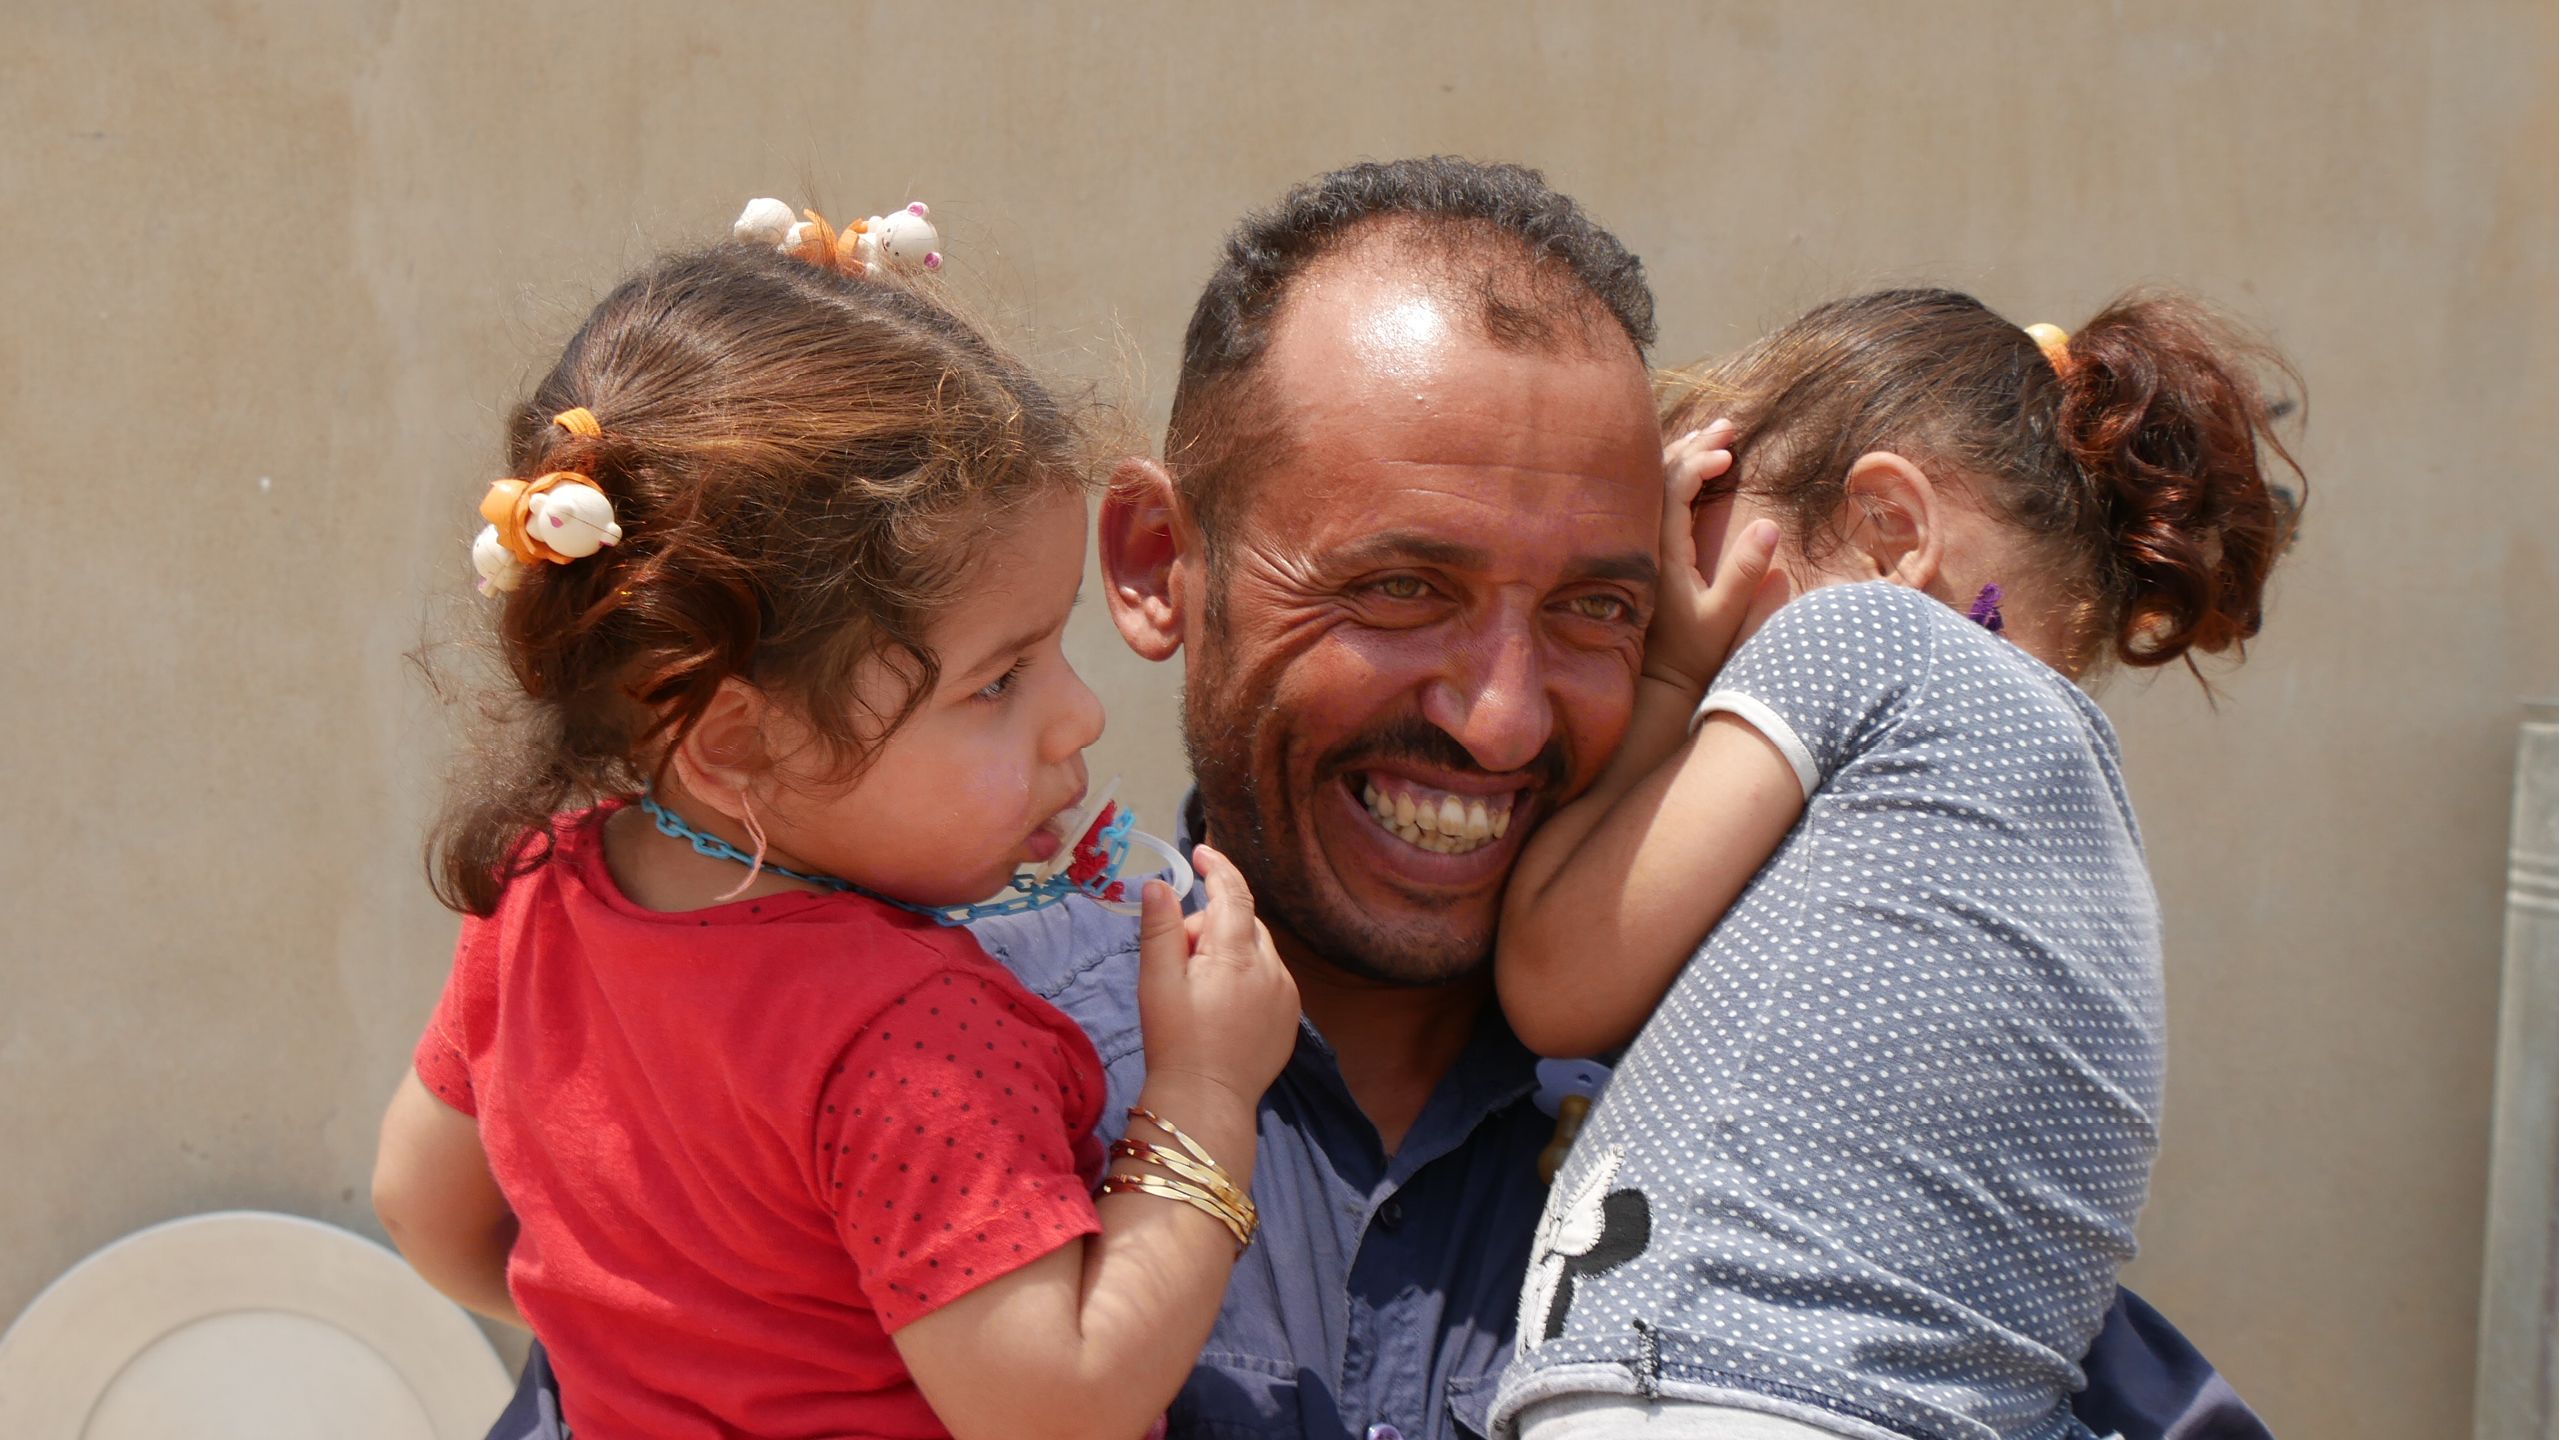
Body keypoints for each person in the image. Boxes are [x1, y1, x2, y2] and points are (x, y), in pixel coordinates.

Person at [482, 159, 2274, 1440]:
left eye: (1600, 611)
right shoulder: (887, 1059)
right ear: (1155, 564)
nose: (1500, 718)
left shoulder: (1813, 1123)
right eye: (1399, 590)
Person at [371, 212, 1300, 1440]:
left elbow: (422, 1207)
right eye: (999, 680)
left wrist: (668, 1342)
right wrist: (1205, 1095)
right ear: (739, 742)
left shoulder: (541, 896)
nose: (1077, 717)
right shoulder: (912, 1036)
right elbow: (1061, 1407)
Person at [1488, 289, 2300, 1440]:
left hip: (1723, 1389)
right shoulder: (2078, 818)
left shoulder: (1868, 636)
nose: (1662, 570)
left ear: (1888, 529)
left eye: (1704, 503)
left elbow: (1555, 972)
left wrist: (1672, 668)